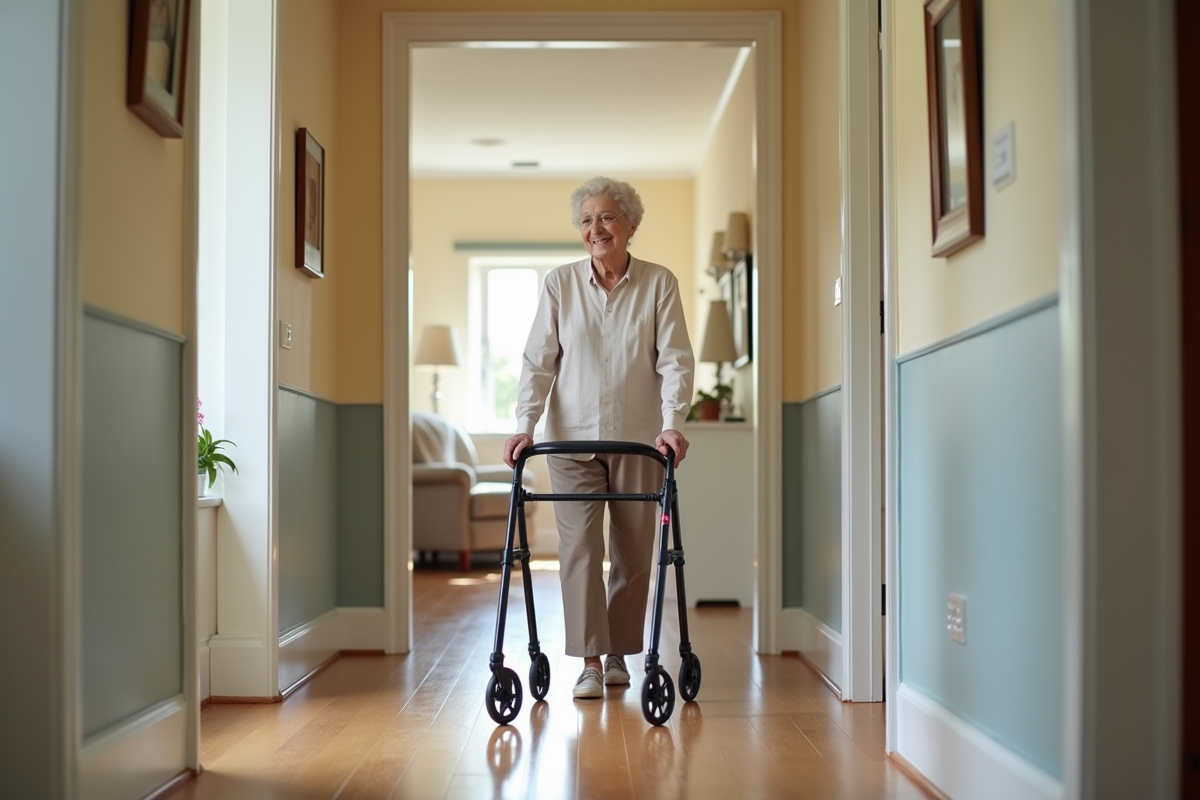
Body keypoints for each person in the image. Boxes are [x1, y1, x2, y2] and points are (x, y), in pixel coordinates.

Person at [503, 176, 695, 699]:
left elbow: (676, 360)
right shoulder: (559, 285)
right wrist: (524, 426)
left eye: (607, 217)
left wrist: (672, 422)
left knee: (633, 555)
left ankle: (617, 655)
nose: (596, 229)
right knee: (580, 552)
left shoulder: (659, 283)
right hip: (570, 441)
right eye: (587, 220)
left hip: (639, 439)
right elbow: (538, 360)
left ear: (631, 224)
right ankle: (590, 661)